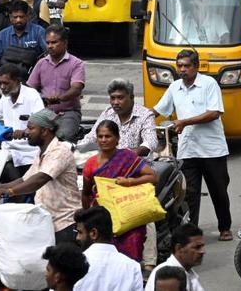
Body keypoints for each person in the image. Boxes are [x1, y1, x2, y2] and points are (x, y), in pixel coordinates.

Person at [153, 49, 232, 242]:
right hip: (188, 150)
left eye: (187, 66)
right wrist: (139, 119)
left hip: (213, 150)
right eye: (179, 66)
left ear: (196, 66)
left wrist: (184, 122)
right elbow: (158, 110)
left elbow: (214, 112)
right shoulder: (174, 87)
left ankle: (224, 228)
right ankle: (192, 232)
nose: (182, 70)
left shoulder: (208, 84)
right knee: (189, 193)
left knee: (219, 191)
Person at [0, 109, 82, 242]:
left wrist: (8, 192)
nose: (27, 132)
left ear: (45, 131)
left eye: (31, 128)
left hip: (65, 222)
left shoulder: (59, 152)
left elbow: (39, 179)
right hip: (47, 222)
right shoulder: (42, 152)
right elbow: (24, 179)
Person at [81, 120, 158, 260]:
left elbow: (152, 177)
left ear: (117, 139)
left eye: (108, 136)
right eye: (100, 136)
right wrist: (87, 218)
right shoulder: (90, 163)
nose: (103, 140)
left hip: (128, 213)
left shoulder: (127, 157)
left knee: (131, 251)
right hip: (102, 217)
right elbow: (86, 194)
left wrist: (130, 182)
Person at [28, 26, 86, 142]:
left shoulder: (76, 64)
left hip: (68, 112)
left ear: (65, 43)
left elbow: (76, 89)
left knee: (62, 138)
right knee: (31, 134)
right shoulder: (41, 63)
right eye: (48, 42)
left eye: (54, 42)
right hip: (46, 112)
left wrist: (59, 98)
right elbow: (30, 88)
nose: (50, 46)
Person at [0, 63, 46, 179]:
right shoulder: (5, 97)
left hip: (29, 152)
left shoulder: (32, 95)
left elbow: (40, 122)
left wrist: (24, 131)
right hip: (8, 151)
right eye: (0, 83)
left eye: (6, 83)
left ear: (17, 81)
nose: (2, 87)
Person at [78, 79, 158, 156]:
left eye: (120, 98)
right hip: (108, 161)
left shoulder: (145, 115)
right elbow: (92, 137)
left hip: (135, 165)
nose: (115, 102)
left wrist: (133, 152)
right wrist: (75, 148)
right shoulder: (107, 113)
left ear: (132, 97)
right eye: (113, 98)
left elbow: (151, 142)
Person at [0, 0, 47, 70]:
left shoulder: (39, 32)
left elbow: (48, 51)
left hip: (32, 74)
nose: (18, 20)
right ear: (10, 17)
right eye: (15, 17)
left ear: (27, 16)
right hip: (8, 75)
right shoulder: (3, 35)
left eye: (21, 17)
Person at [146, 224, 206, 291]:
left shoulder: (190, 274)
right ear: (179, 248)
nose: (202, 251)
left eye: (202, 246)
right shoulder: (164, 277)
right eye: (197, 247)